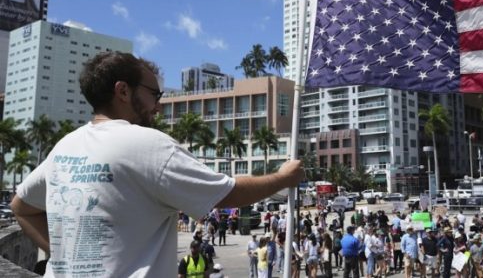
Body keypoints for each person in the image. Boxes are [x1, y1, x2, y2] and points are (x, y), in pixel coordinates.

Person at [9, 51, 305, 277]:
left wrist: (64, 258)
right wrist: (282, 178)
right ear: (123, 91)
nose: (158, 106)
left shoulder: (65, 146)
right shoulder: (148, 144)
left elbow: (21, 207)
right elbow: (226, 193)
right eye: (154, 94)